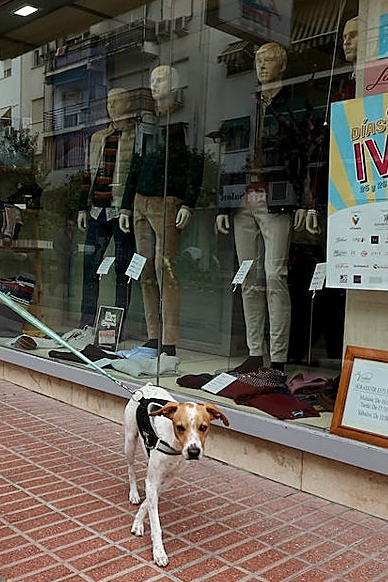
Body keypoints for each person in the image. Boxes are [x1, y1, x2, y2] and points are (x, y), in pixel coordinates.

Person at [216, 42, 318, 379]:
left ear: (283, 65)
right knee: (249, 277)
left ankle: (278, 358)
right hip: (242, 201)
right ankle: (254, 353)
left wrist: (305, 201)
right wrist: (223, 204)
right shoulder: (247, 107)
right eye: (258, 60)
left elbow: (307, 155)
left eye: (269, 60)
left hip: (277, 199)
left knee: (275, 277)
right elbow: (231, 156)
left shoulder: (295, 106)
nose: (261, 65)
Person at [118, 65, 203, 356]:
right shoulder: (147, 121)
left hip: (167, 201)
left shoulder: (186, 119)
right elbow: (136, 164)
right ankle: (153, 335)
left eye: (161, 79)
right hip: (141, 201)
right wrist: (126, 205)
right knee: (145, 269)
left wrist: (188, 201)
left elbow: (195, 161)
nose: (154, 84)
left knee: (164, 268)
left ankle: (169, 340)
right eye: (152, 80)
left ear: (175, 84)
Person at [76, 88, 138, 328]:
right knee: (90, 265)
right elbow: (87, 173)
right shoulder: (98, 137)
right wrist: (82, 206)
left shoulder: (136, 136)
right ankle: (86, 322)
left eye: (117, 102)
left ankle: (116, 326)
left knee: (123, 268)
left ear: (128, 104)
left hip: (121, 212)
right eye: (109, 102)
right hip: (97, 211)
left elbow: (134, 175)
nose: (112, 106)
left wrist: (127, 208)